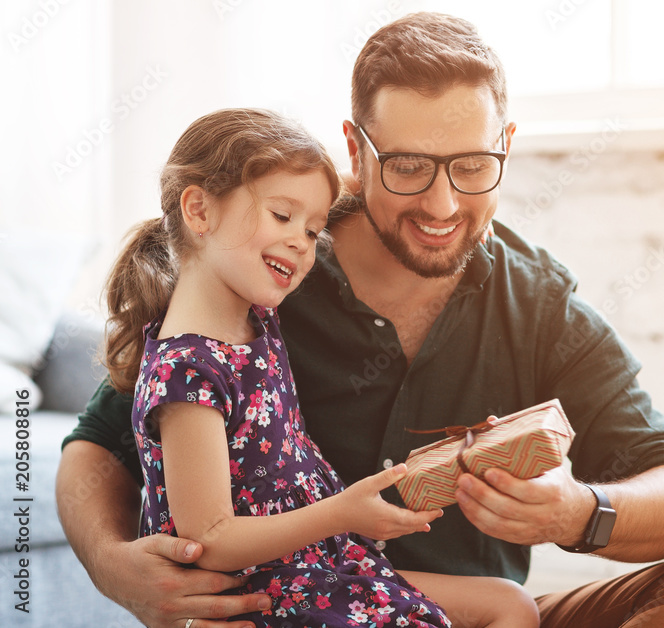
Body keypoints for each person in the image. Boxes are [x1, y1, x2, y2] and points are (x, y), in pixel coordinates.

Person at [57, 12, 664, 628]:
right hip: (304, 608)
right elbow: (96, 445)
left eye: (471, 166)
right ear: (356, 151)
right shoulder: (264, 272)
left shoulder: (536, 305)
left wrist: (573, 512)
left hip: (460, 612)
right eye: (408, 165)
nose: (441, 205)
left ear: (505, 147)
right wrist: (113, 566)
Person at [95, 107, 539, 628]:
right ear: (198, 211)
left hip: (324, 565)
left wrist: (447, 213)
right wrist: (343, 513)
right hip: (272, 595)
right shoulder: (188, 372)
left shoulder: (258, 317)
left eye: (313, 231)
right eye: (282, 217)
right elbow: (210, 540)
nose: (301, 245)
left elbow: (349, 193)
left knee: (511, 605)